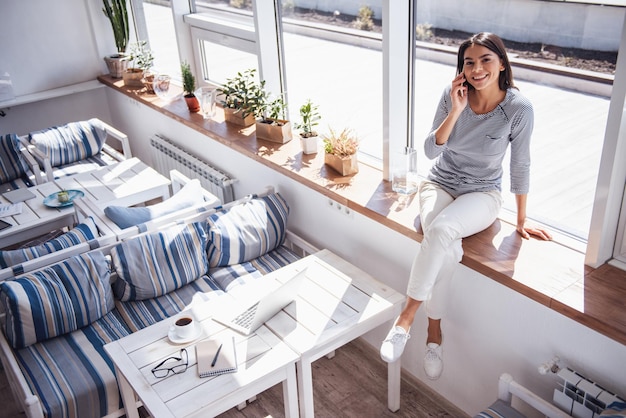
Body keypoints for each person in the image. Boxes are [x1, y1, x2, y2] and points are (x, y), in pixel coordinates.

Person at [379, 32, 552, 380]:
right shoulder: (452, 95)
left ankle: (406, 319)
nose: (477, 69)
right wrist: (456, 110)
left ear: (502, 63)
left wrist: (521, 220)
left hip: (483, 194)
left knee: (440, 229)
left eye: (486, 60)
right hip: (439, 183)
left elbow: (521, 163)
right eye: (469, 62)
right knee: (446, 245)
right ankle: (434, 333)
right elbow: (430, 150)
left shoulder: (519, 108)